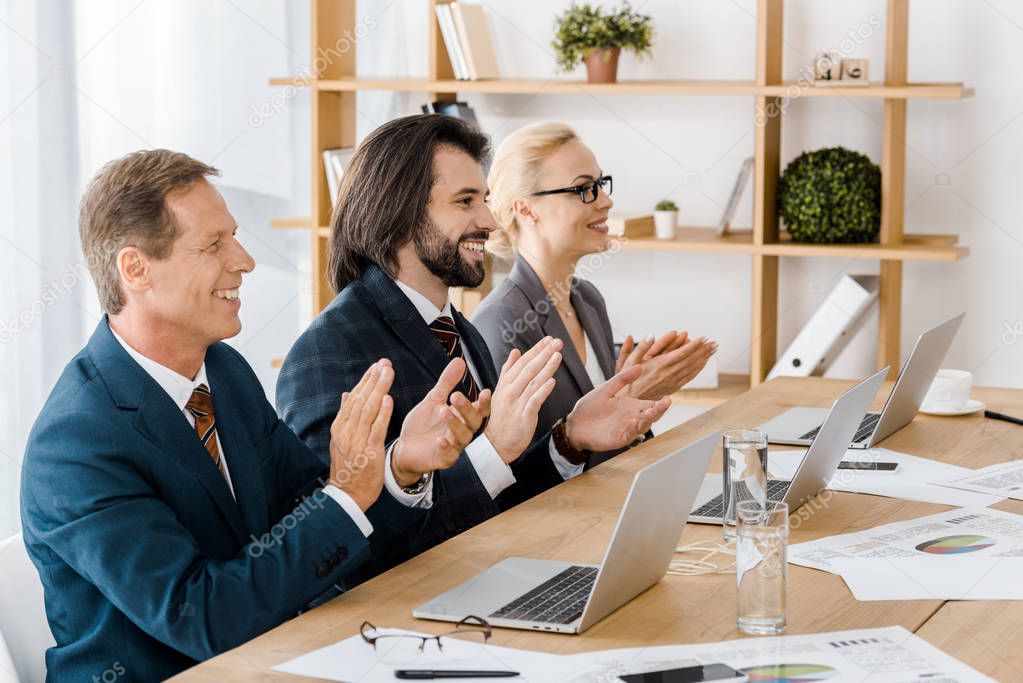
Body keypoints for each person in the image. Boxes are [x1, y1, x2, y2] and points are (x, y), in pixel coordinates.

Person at [20, 150, 484, 681]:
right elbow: (205, 618)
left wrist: (398, 466)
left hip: (276, 660)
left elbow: (314, 510)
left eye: (234, 237)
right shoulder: (75, 442)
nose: (244, 260)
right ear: (136, 269)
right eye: (214, 244)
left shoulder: (225, 372)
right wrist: (346, 494)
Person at [277, 114, 669, 577]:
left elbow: (496, 494)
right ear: (398, 211)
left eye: (484, 200)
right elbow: (339, 556)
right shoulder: (327, 353)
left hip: (486, 586)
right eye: (465, 202)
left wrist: (568, 438)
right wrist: (491, 449)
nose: (487, 220)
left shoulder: (460, 331)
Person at [473, 122, 718, 467]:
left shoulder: (586, 298)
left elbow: (611, 453)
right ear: (526, 208)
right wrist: (628, 397)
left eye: (601, 184)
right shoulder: (503, 322)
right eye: (583, 189)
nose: (606, 201)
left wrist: (632, 399)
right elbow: (515, 480)